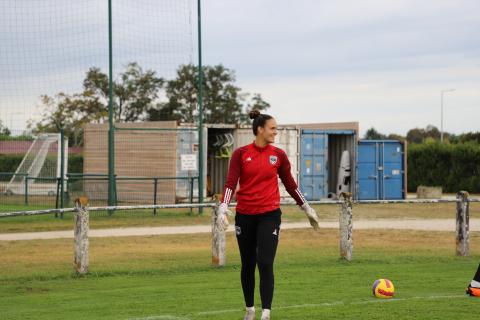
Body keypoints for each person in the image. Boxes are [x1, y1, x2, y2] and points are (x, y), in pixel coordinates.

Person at [216, 110, 320, 320]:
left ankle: (266, 313)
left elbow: (290, 184)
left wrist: (306, 207)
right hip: (245, 216)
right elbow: (230, 183)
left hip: (270, 215)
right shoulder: (240, 154)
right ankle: (250, 310)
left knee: (265, 262)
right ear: (260, 129)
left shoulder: (278, 155)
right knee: (248, 264)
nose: (276, 132)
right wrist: (223, 208)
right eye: (273, 128)